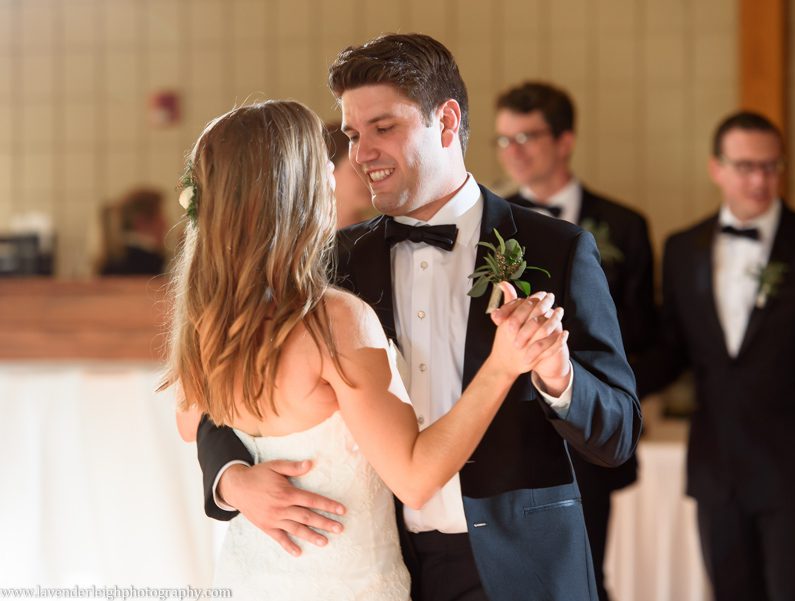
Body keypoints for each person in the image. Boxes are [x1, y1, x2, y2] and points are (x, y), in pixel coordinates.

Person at [194, 34, 642, 601]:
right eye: (354, 135)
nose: (361, 153)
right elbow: (227, 387)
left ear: (447, 122)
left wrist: (559, 379)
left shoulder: (556, 250)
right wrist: (231, 481)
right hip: (387, 566)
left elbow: (619, 432)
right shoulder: (330, 263)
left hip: (523, 568)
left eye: (384, 128)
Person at [163, 99, 569, 600]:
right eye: (322, 162)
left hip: (252, 577)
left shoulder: (205, 321)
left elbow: (192, 424)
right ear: (296, 189)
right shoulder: (334, 320)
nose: (338, 175)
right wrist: (502, 367)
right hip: (348, 584)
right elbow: (415, 479)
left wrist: (235, 480)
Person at [636, 111, 795, 601]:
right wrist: (606, 383)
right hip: (717, 469)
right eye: (745, 166)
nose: (760, 179)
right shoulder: (682, 248)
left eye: (771, 166)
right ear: (716, 168)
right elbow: (672, 350)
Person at [495, 81, 656, 601]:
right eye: (503, 140)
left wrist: (609, 402)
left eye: (527, 137)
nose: (513, 152)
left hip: (594, 436)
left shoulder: (625, 226)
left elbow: (646, 334)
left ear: (565, 141)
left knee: (586, 578)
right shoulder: (489, 225)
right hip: (512, 435)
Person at [99, 188, 167, 275]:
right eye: (161, 216)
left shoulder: (111, 258)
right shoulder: (148, 261)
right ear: (141, 222)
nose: (165, 223)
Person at [324, 121, 378, 227]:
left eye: (372, 169)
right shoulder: (298, 239)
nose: (369, 179)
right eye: (357, 169)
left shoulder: (383, 237)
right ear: (327, 170)